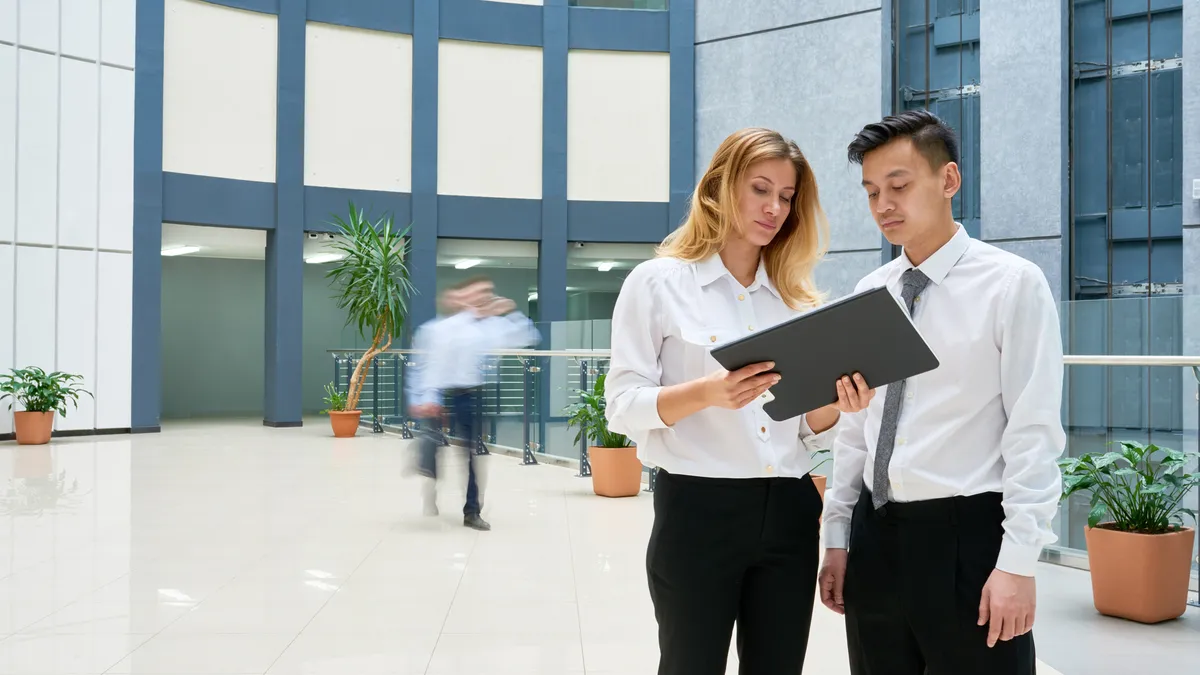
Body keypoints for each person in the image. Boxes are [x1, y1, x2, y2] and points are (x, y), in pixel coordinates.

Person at [605, 127, 874, 675]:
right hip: (698, 512)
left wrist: (839, 404)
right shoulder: (657, 283)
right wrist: (709, 392)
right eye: (760, 189)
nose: (775, 207)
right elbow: (622, 405)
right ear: (720, 186)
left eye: (787, 196)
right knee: (690, 665)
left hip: (791, 511)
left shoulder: (796, 302)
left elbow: (801, 429)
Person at [817, 109, 1066, 675]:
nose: (884, 204)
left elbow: (1034, 432)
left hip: (968, 540)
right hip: (876, 536)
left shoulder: (1011, 284)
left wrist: (1019, 563)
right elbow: (857, 430)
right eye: (872, 191)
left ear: (948, 180)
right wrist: (838, 535)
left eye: (899, 186)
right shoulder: (869, 292)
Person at [407, 277, 540, 531]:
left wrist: (510, 311)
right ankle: (430, 479)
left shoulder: (492, 325)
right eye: (476, 292)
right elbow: (431, 367)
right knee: (433, 448)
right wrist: (426, 399)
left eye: (487, 292)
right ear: (463, 297)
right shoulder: (442, 329)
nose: (482, 297)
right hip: (444, 394)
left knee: (471, 455)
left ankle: (471, 511)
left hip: (472, 397)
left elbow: (529, 337)